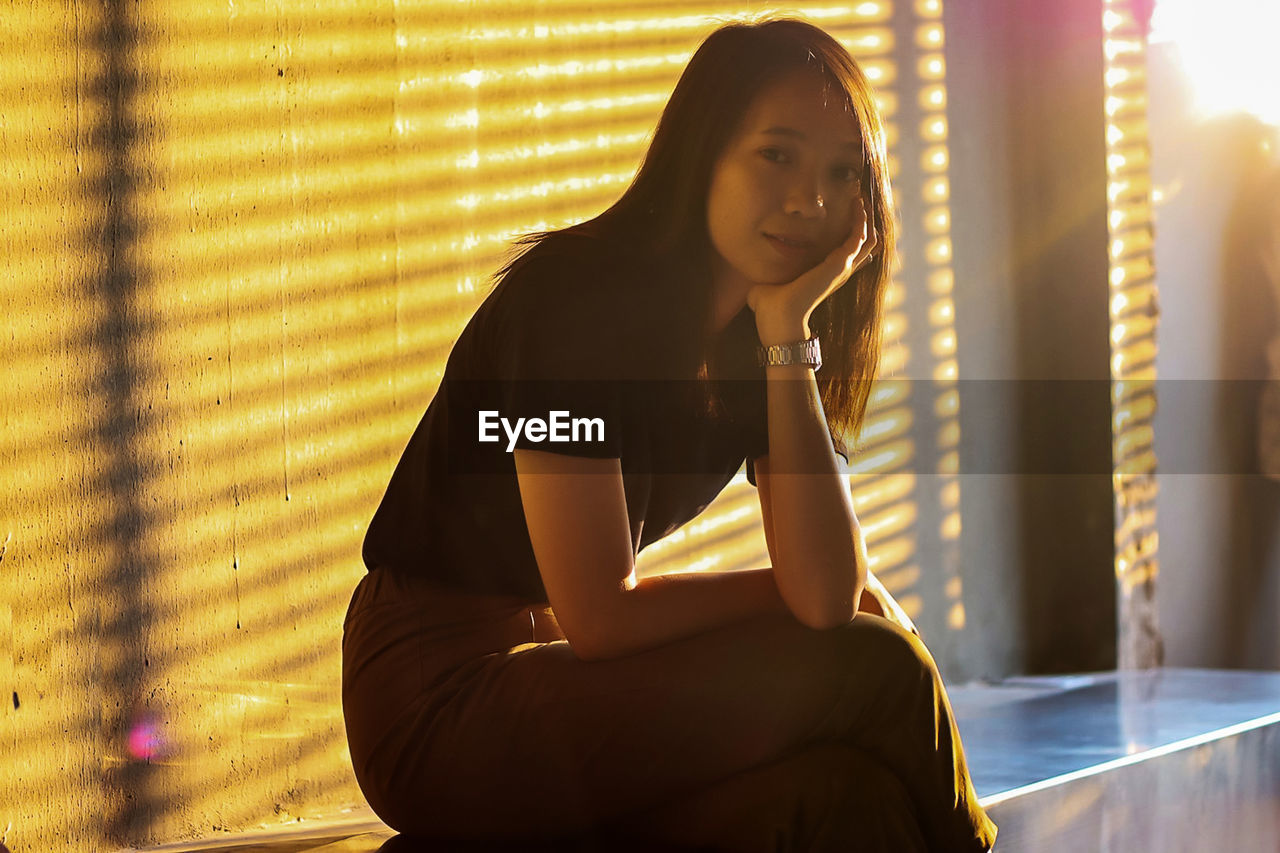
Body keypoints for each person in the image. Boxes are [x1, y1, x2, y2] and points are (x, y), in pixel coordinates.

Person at [343, 17, 998, 853]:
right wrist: (784, 591)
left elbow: (829, 590)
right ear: (703, 155)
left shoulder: (762, 346)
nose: (813, 200)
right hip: (438, 701)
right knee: (881, 667)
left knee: (843, 797)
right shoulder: (570, 306)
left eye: (843, 173)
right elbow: (601, 614)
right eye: (777, 155)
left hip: (564, 686)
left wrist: (787, 332)